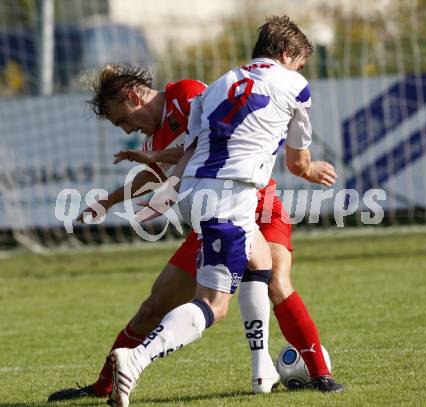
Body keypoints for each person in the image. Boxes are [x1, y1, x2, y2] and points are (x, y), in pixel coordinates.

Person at [109, 15, 343, 407]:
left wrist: (166, 197)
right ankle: (135, 360)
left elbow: (188, 152)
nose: (300, 70)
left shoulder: (217, 85)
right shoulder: (295, 85)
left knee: (260, 259)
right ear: (287, 54)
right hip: (231, 197)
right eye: (299, 62)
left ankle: (261, 368)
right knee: (213, 306)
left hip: (199, 194)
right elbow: (298, 164)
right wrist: (313, 169)